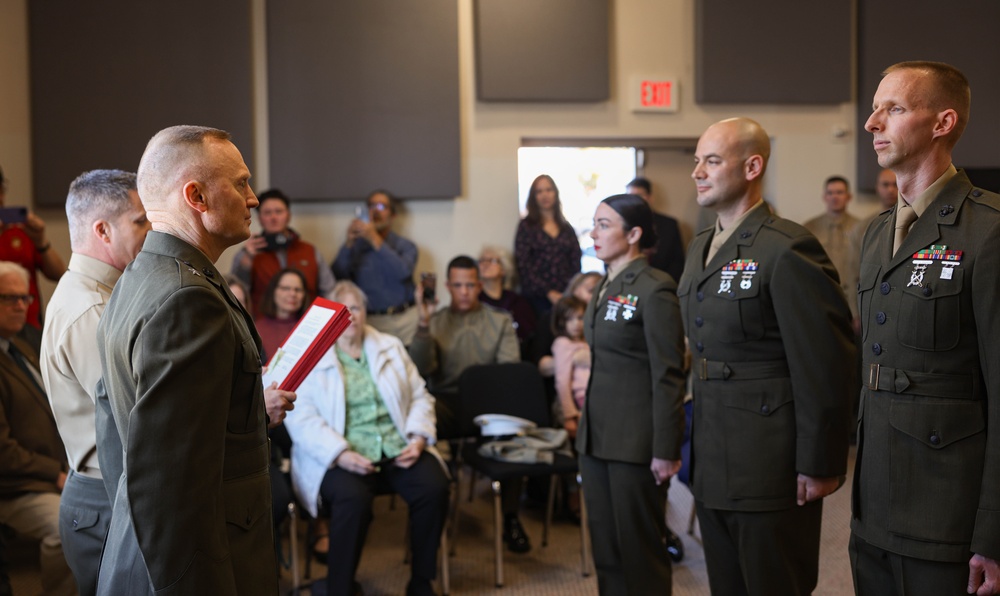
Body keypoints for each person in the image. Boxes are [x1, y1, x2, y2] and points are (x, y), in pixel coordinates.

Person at [95, 125, 277, 595]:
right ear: (196, 196)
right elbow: (171, 490)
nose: (253, 198)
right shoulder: (187, 300)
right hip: (197, 568)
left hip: (146, 553)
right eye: (240, 183)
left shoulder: (138, 277)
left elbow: (115, 438)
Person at [680, 117, 855, 595]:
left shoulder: (786, 247)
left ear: (752, 165)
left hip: (767, 457)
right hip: (713, 454)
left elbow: (825, 362)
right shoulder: (699, 250)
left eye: (712, 160)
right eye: (696, 160)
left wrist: (821, 461)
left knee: (773, 582)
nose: (697, 171)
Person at [852, 61, 1000, 596]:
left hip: (947, 515)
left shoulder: (987, 231)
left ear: (941, 123)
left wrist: (994, 532)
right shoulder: (875, 234)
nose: (872, 123)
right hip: (874, 505)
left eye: (892, 109)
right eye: (875, 108)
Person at [285, 281, 448, 596]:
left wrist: (417, 436)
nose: (351, 316)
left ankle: (421, 582)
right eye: (342, 309)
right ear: (329, 316)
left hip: (397, 446)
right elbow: (300, 416)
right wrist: (339, 453)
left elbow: (420, 395)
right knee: (353, 500)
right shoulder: (313, 356)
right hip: (341, 454)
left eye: (356, 308)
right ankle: (340, 588)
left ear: (365, 312)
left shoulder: (389, 345)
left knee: (434, 486)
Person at [39, 169, 149, 596]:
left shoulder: (99, 294)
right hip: (103, 499)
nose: (152, 229)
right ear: (102, 230)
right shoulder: (89, 309)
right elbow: (135, 413)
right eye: (140, 220)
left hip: (109, 492)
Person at [577, 194, 686, 595]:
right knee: (606, 549)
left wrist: (666, 447)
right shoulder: (605, 284)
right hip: (596, 436)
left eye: (605, 224)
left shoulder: (654, 288)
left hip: (636, 441)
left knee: (640, 551)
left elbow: (669, 374)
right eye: (594, 223)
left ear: (635, 233)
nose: (595, 233)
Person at [408, 256, 528, 552]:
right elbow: (421, 369)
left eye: (470, 285)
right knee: (416, 420)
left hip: (488, 403)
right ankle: (434, 508)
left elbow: (508, 373)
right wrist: (423, 322)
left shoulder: (498, 320)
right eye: (458, 285)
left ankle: (510, 515)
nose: (464, 291)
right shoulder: (435, 321)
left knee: (515, 429)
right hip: (446, 403)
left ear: (480, 285)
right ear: (447, 287)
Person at [0, 261, 75, 596]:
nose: (20, 306)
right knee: (66, 526)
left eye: (25, 298)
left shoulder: (22, 345)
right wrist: (56, 474)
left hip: (53, 469)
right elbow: (4, 453)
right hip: (17, 485)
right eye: (9, 298)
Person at [230, 188, 334, 318]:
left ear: (288, 215)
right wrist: (246, 262)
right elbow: (236, 297)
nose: (273, 217)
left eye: (278, 212)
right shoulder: (247, 253)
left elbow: (330, 291)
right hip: (263, 329)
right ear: (260, 219)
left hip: (307, 325)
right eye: (267, 213)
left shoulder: (310, 251)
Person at [333, 190, 419, 344]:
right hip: (370, 321)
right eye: (371, 206)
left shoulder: (406, 246)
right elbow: (337, 277)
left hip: (404, 321)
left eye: (381, 206)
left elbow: (403, 273)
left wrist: (374, 238)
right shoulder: (357, 246)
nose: (375, 210)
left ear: (393, 216)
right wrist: (349, 243)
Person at [0, 164, 67, 333]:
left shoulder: (20, 230)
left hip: (30, 327)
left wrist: (41, 242)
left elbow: (59, 273)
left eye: (1, 190)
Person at [514, 175, 582, 318]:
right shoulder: (526, 226)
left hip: (565, 296)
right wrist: (548, 292)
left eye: (548, 190)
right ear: (533, 197)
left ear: (555, 193)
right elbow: (523, 264)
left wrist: (568, 291)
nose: (545, 195)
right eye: (539, 191)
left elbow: (575, 261)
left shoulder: (566, 228)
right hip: (536, 298)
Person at [803, 176, 864, 331]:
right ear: (824, 197)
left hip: (850, 301)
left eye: (839, 192)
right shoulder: (809, 228)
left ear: (848, 197)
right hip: (820, 299)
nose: (834, 197)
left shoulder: (861, 228)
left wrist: (858, 310)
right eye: (830, 193)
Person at [478, 245, 536, 359]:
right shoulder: (476, 301)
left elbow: (530, 337)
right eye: (482, 260)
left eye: (492, 260)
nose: (485, 264)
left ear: (504, 269)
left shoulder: (518, 302)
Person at [626, 177, 686, 281]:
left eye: (639, 195)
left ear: (649, 197)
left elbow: (678, 261)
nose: (634, 200)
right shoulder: (624, 224)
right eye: (630, 196)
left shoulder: (669, 224)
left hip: (664, 281)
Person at [550, 295, 588, 437]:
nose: (576, 324)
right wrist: (569, 415)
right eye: (569, 319)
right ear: (561, 322)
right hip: (580, 401)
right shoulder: (563, 343)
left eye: (580, 318)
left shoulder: (587, 342)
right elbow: (562, 381)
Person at [255, 267, 310, 360]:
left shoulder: (309, 328)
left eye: (298, 289)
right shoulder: (256, 329)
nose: (292, 294)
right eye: (286, 288)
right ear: (273, 291)